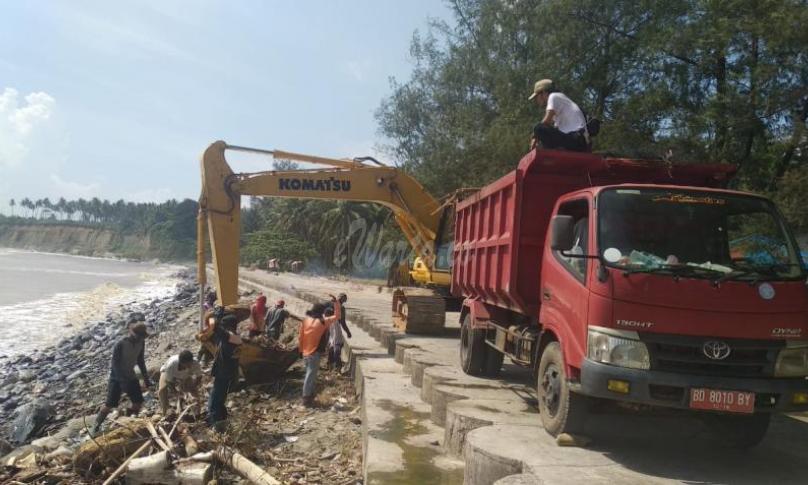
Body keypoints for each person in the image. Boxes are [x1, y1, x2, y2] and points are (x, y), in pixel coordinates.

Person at [92, 322, 152, 435]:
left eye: (141, 337)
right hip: (117, 377)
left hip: (130, 375)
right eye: (138, 336)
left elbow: (140, 361)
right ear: (131, 332)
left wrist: (146, 378)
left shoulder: (141, 343)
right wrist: (122, 381)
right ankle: (95, 427)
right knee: (109, 404)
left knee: (138, 402)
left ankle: (126, 421)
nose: (139, 338)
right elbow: (114, 364)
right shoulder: (121, 344)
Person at [299, 295, 341, 407]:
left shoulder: (306, 320)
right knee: (310, 375)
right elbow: (337, 316)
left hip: (305, 352)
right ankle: (306, 398)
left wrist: (300, 350)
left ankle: (310, 397)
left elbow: (301, 336)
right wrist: (336, 302)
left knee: (310, 374)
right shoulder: (323, 322)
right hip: (315, 352)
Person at [529, 79, 589, 152]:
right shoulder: (560, 103)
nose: (536, 100)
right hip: (578, 142)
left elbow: (546, 122)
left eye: (536, 97)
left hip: (577, 139)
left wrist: (535, 136)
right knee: (546, 135)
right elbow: (554, 130)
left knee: (538, 128)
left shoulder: (553, 96)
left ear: (544, 92)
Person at [208, 313, 242, 428]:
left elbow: (217, 329)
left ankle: (216, 424)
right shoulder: (235, 337)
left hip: (224, 373)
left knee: (215, 400)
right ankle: (221, 419)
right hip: (228, 372)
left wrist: (211, 318)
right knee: (220, 397)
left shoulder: (231, 338)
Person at [158, 350, 202, 416]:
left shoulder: (195, 363)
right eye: (187, 364)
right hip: (167, 373)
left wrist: (193, 386)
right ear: (181, 362)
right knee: (162, 390)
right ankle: (164, 411)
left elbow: (199, 377)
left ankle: (198, 413)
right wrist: (175, 392)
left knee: (194, 393)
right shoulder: (171, 365)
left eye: (190, 363)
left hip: (185, 376)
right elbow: (169, 382)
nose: (189, 366)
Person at [326, 293, 352, 370]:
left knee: (335, 349)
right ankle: (332, 366)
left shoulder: (340, 309)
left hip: (334, 329)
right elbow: (343, 322)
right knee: (332, 349)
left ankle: (335, 366)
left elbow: (342, 322)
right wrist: (348, 332)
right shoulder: (334, 307)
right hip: (331, 329)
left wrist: (348, 332)